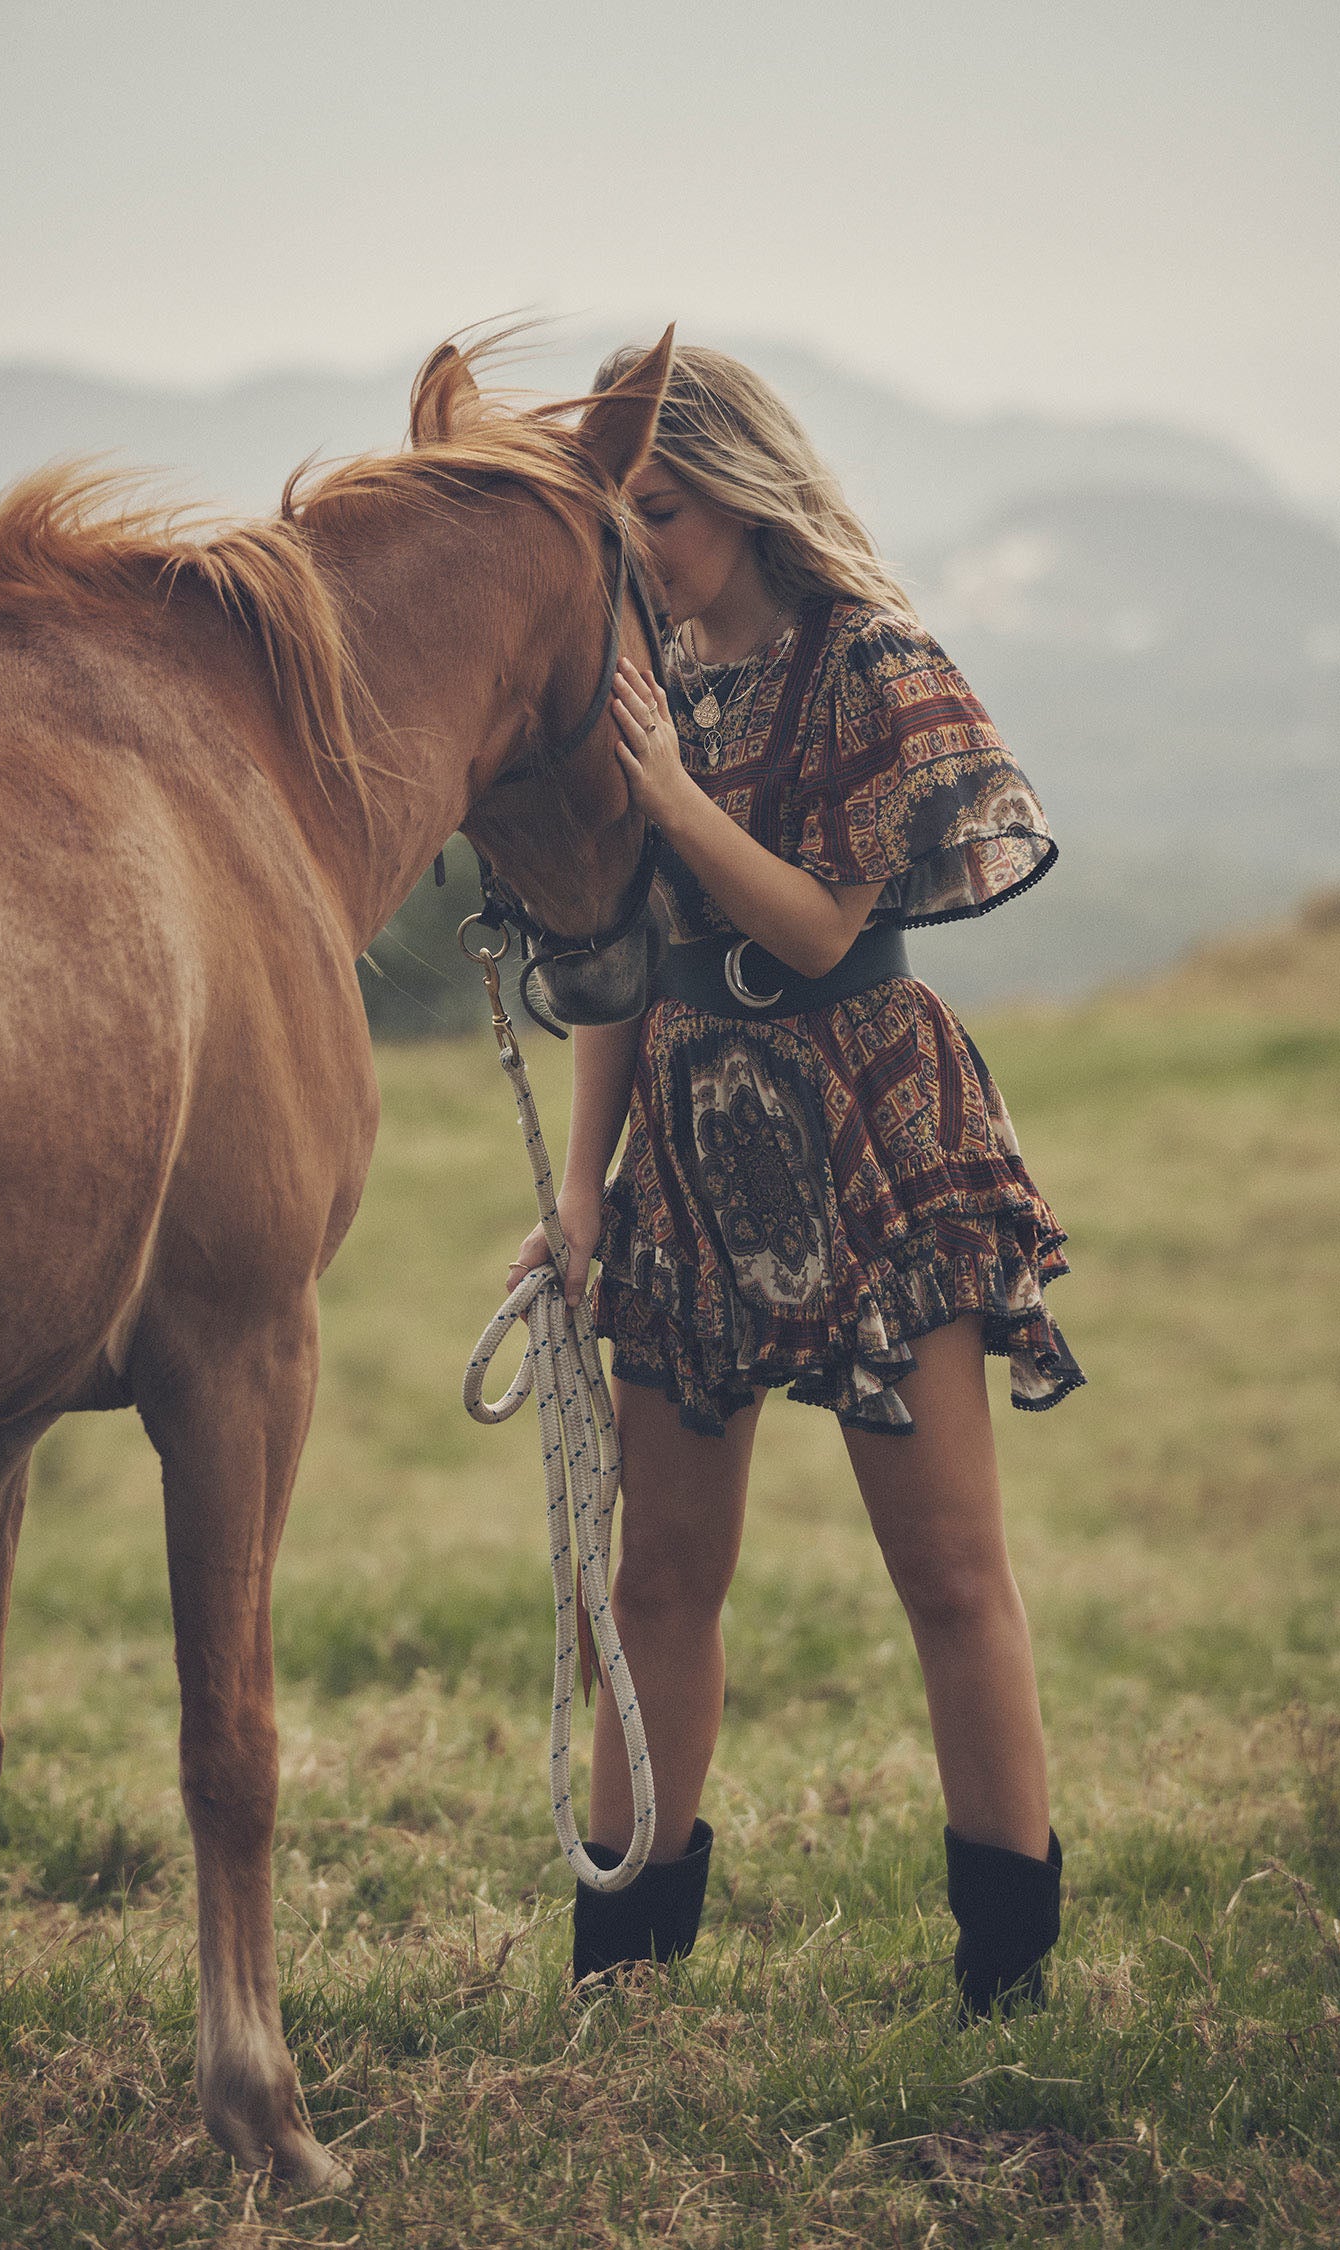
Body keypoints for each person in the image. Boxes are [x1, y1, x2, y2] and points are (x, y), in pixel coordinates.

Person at [508, 344, 1084, 2018]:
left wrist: (671, 794)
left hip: (869, 1129)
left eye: (664, 515)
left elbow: (826, 926)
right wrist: (590, 1188)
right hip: (690, 1131)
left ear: (744, 492)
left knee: (950, 1568)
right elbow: (629, 954)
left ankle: (1007, 1969)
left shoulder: (869, 661)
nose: (649, 556)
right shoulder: (645, 670)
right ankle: (625, 1966)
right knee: (660, 1577)